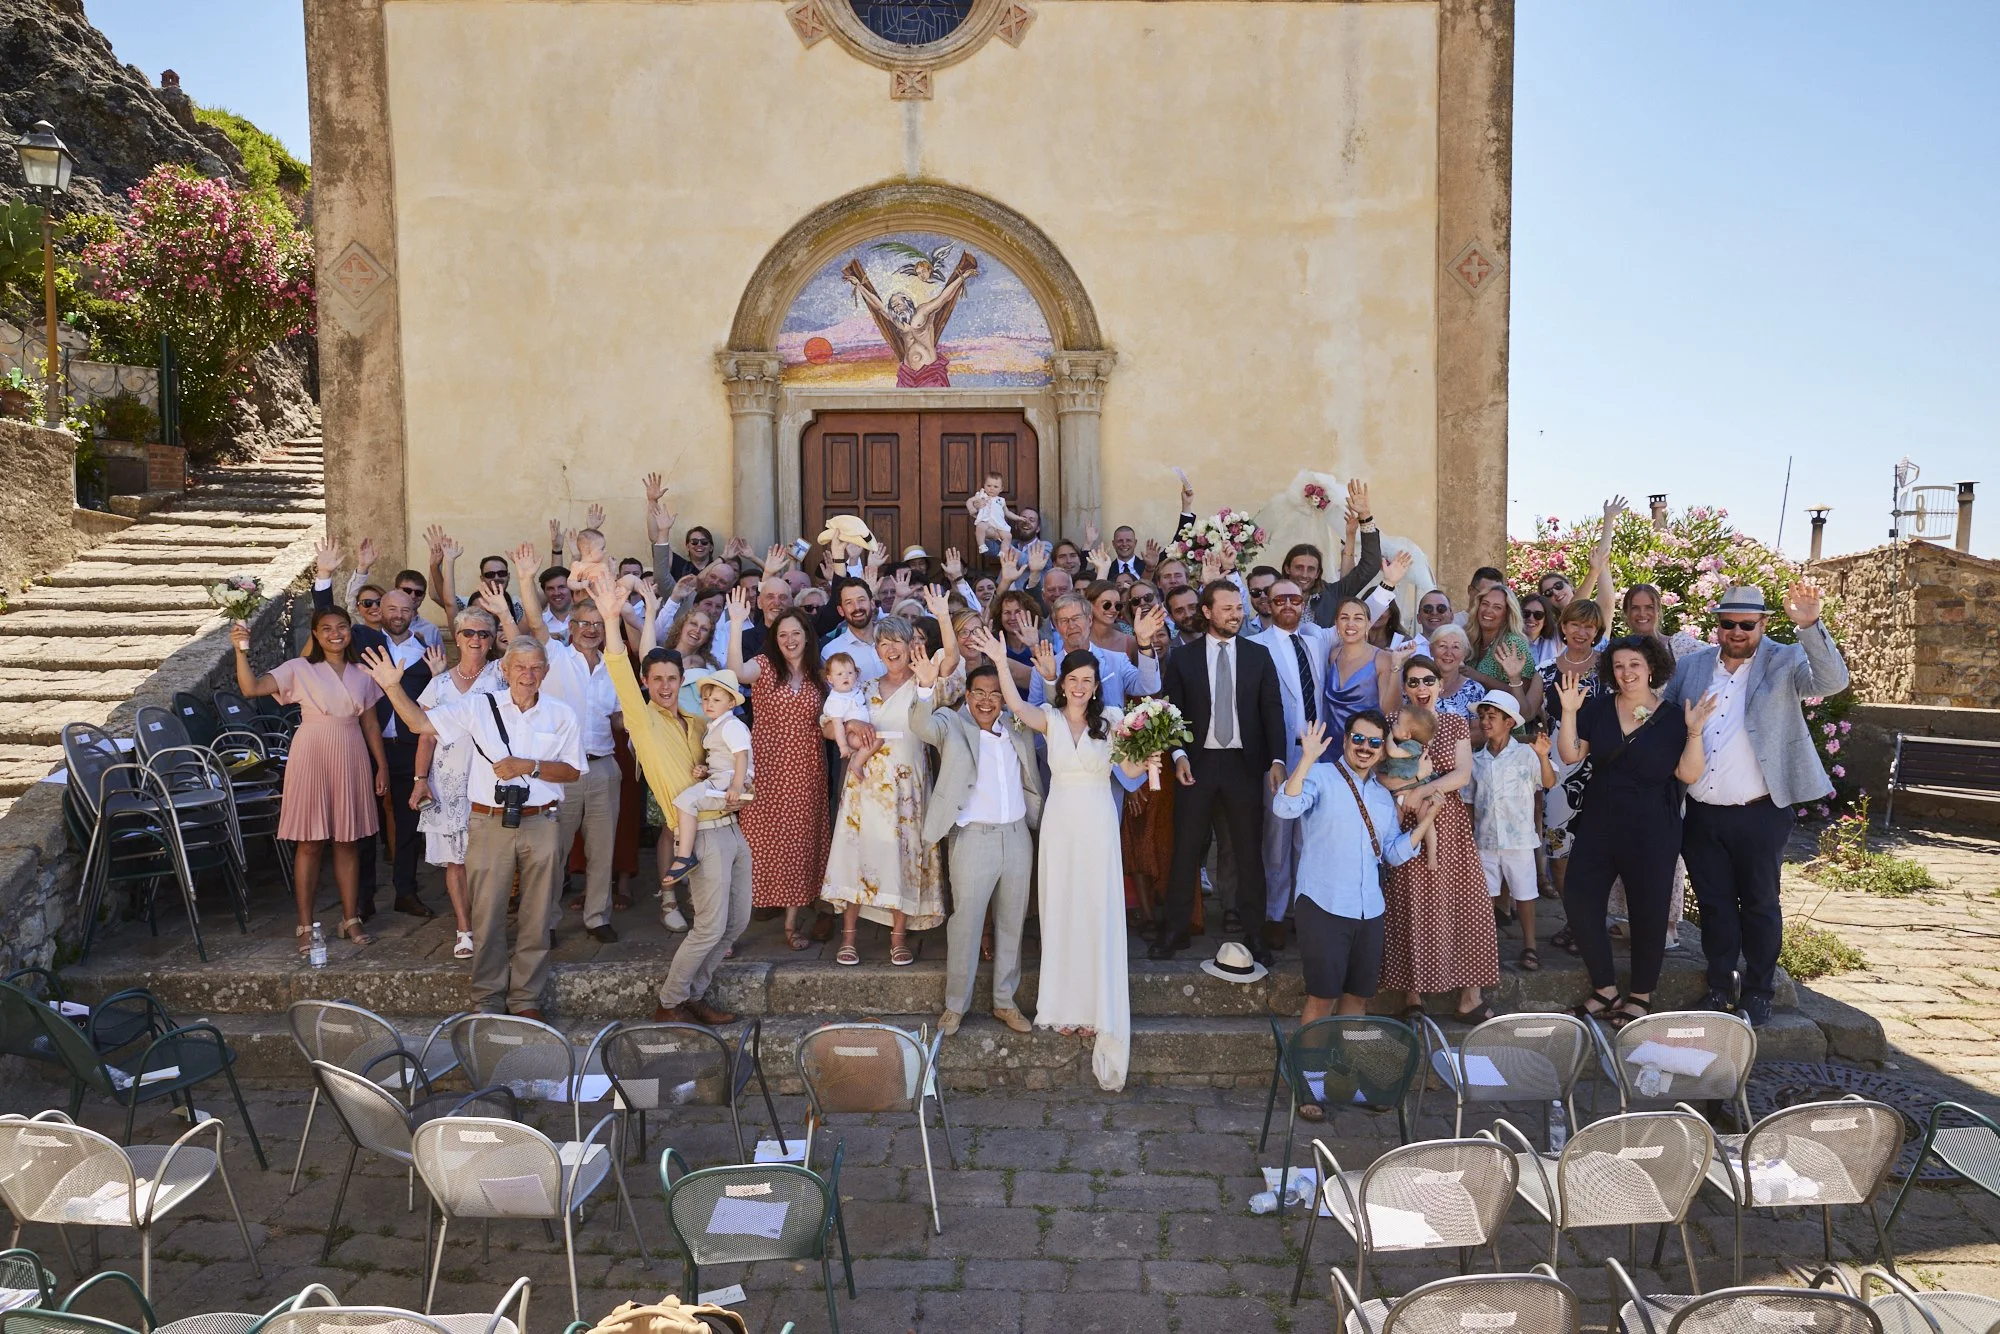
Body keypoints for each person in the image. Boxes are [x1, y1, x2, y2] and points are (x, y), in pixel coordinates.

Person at [361, 636, 583, 1019]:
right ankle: (487, 997)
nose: (527, 675)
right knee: (487, 912)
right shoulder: (479, 707)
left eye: (535, 668)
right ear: (505, 670)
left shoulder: (561, 714)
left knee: (538, 913)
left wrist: (527, 765)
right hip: (489, 820)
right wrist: (391, 686)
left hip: (542, 820)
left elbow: (572, 771)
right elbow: (418, 723)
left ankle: (526, 999)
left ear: (546, 672)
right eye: (520, 667)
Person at [1665, 583, 1849, 1027]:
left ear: (1763, 623)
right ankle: (1718, 985)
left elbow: (1832, 681)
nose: (1737, 632)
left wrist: (1809, 625)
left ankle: (1759, 990)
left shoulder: (1784, 660)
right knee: (1714, 904)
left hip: (1761, 811)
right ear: (1718, 626)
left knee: (1761, 902)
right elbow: (1668, 722)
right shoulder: (1691, 667)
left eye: (1747, 624)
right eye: (1729, 624)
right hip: (1702, 812)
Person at [982, 634, 1154, 1091]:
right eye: (1073, 679)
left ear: (1097, 686)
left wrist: (1150, 754)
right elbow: (1016, 704)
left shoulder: (1114, 722)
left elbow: (1131, 773)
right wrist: (1001, 660)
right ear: (1064, 684)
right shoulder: (1050, 720)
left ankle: (1096, 1007)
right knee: (1062, 911)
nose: (1079, 686)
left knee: (1095, 913)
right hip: (1060, 824)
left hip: (1098, 822)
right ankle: (1062, 1005)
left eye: (1087, 680)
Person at [1271, 714, 1440, 1115]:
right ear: (1346, 740)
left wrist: (1425, 822)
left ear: (1383, 749)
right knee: (1322, 998)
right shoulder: (1322, 777)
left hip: (1369, 909)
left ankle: (1345, 1075)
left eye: (1374, 742)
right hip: (1324, 903)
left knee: (1358, 1000)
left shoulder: (1384, 795)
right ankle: (1308, 1084)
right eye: (1359, 739)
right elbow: (1285, 807)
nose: (1365, 747)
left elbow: (1393, 854)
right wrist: (1307, 759)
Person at [232, 607, 388, 953]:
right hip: (312, 752)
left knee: (348, 841)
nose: (335, 634)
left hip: (351, 752)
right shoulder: (298, 669)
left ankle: (351, 919)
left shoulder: (363, 673)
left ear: (351, 631)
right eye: (327, 628)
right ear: (315, 634)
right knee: (310, 842)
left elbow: (371, 725)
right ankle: (304, 924)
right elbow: (251, 688)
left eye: (342, 627)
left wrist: (382, 766)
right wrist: (241, 649)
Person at [1554, 636, 1690, 1029]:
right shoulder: (1597, 709)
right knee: (1579, 899)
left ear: (1651, 668)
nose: (1626, 672)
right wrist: (1568, 712)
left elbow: (1688, 774)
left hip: (1653, 825)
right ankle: (1605, 988)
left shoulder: (1674, 717)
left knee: (1649, 912)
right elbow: (1569, 754)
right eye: (1618, 666)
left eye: (1634, 664)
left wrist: (1695, 734)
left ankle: (1641, 997)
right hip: (1600, 819)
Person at [910, 646, 1044, 1037]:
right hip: (972, 837)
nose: (987, 701)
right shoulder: (952, 724)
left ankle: (1005, 1001)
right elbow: (922, 727)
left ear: (1004, 697)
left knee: (1011, 923)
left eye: (995, 694)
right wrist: (923, 685)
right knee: (965, 924)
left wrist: (1048, 678)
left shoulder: (1017, 726)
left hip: (1018, 836)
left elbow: (1052, 713)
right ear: (968, 696)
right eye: (979, 693)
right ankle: (956, 1005)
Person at [1157, 580, 1286, 963]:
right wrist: (1178, 755)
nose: (1236, 614)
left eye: (1238, 607)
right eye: (1227, 608)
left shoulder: (1258, 656)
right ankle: (1175, 931)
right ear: (1207, 612)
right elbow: (1171, 714)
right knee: (1186, 850)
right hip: (1196, 765)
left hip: (1244, 766)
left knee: (1248, 851)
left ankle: (1255, 935)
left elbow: (1272, 712)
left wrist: (1277, 760)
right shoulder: (1183, 658)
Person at [1379, 653, 1498, 1023]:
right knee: (1410, 903)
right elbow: (1381, 773)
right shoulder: (1392, 722)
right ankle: (1412, 995)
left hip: (1449, 823)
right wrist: (1414, 788)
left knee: (1465, 903)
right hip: (1406, 821)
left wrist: (1422, 789)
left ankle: (1469, 997)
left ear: (1440, 684)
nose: (1420, 688)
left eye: (1427, 681)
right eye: (1412, 682)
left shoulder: (1455, 723)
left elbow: (1462, 774)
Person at [513, 543, 623, 944]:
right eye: (584, 623)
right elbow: (535, 623)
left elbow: (616, 717)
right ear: (571, 628)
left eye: (597, 623)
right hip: (560, 770)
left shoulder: (614, 665)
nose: (591, 629)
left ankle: (597, 916)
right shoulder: (556, 656)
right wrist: (526, 578)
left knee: (602, 849)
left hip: (603, 766)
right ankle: (549, 921)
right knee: (553, 853)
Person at [820, 616, 943, 966]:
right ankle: (848, 938)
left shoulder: (925, 686)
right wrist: (851, 722)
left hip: (908, 788)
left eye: (898, 642)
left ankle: (898, 938)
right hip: (866, 785)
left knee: (902, 857)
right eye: (884, 643)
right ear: (876, 650)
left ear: (911, 647)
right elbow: (827, 728)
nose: (891, 649)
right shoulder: (862, 688)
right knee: (855, 855)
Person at [723, 591, 830, 951]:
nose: (789, 640)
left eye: (795, 633)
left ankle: (790, 925)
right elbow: (735, 672)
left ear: (806, 636)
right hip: (766, 768)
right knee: (754, 846)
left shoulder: (820, 672)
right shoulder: (765, 665)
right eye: (783, 634)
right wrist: (737, 624)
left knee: (799, 846)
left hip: (807, 769)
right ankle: (732, 930)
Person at [412, 607, 504, 960]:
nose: (476, 640)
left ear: (493, 638)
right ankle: (465, 931)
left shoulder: (502, 676)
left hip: (490, 780)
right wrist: (420, 781)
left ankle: (489, 926)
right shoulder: (438, 684)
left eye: (484, 634)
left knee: (492, 860)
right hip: (448, 781)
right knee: (456, 861)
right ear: (457, 636)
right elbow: (425, 737)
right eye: (469, 633)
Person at [1249, 578, 1331, 948]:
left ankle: (1304, 909)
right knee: (1277, 836)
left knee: (1311, 836)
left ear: (1304, 603)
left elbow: (1359, 623)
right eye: (1279, 598)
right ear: (1266, 603)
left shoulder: (1317, 640)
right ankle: (1275, 914)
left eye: (1294, 599)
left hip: (1320, 753)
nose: (1287, 605)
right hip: (1279, 752)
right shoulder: (1253, 646)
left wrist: (1389, 585)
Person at [1466, 691, 1555, 972]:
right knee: (1486, 896)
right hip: (1486, 838)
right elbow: (1469, 801)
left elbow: (1549, 780)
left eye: (1492, 717)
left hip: (1519, 839)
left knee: (1525, 894)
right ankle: (1485, 947)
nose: (1485, 722)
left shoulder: (1526, 754)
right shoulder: (1476, 760)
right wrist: (1469, 837)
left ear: (1509, 722)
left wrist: (1542, 756)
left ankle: (1530, 945)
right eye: (1482, 717)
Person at [1539, 597, 1610, 926]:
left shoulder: (1609, 670)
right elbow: (1529, 713)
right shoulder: (1546, 671)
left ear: (1597, 631)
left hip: (1599, 771)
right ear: (1564, 627)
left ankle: (1593, 921)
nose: (1582, 632)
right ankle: (1575, 924)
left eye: (1589, 626)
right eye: (1575, 624)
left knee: (1596, 854)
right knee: (1557, 851)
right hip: (1555, 772)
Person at [662, 671, 753, 886]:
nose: (709, 704)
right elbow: (722, 758)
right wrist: (705, 770)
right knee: (686, 801)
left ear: (731, 703)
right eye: (705, 699)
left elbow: (742, 756)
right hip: (721, 777)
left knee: (685, 801)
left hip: (729, 780)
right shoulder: (716, 725)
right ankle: (686, 852)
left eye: (716, 700)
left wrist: (737, 786)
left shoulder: (731, 725)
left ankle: (684, 856)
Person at [1463, 584, 1543, 720]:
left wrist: (1481, 678)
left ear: (1507, 613)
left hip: (1506, 728)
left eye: (1497, 607)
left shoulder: (1513, 643)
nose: (1488, 611)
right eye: (1485, 604)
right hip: (1473, 724)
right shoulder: (1469, 638)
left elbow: (1523, 694)